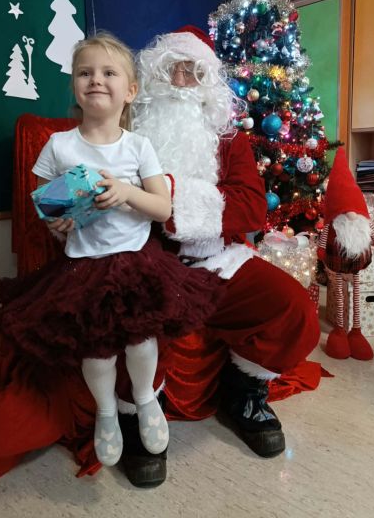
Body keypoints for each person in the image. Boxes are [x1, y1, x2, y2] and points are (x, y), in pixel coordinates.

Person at [0, 32, 222, 468]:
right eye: (85, 73)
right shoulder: (59, 146)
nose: (96, 79)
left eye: (108, 72)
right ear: (75, 86)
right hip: (83, 265)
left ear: (130, 91)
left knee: (141, 341)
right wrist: (57, 222)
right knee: (96, 351)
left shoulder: (138, 146)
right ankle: (107, 412)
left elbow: (162, 207)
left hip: (135, 262)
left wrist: (126, 192)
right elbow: (46, 204)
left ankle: (145, 399)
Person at [115, 25, 321, 486]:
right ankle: (137, 414)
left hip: (218, 260)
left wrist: (171, 198)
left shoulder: (229, 139)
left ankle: (243, 393)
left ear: (208, 83)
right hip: (151, 260)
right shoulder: (130, 133)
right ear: (154, 77)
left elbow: (250, 206)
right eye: (172, 70)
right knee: (136, 314)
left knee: (292, 306)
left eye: (193, 71)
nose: (181, 81)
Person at [317, 147, 374, 361]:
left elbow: (373, 232)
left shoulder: (364, 222)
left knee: (356, 294)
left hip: (358, 263)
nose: (352, 213)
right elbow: (323, 240)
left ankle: (356, 330)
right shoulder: (332, 225)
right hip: (337, 264)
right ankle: (339, 330)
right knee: (339, 293)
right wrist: (321, 251)